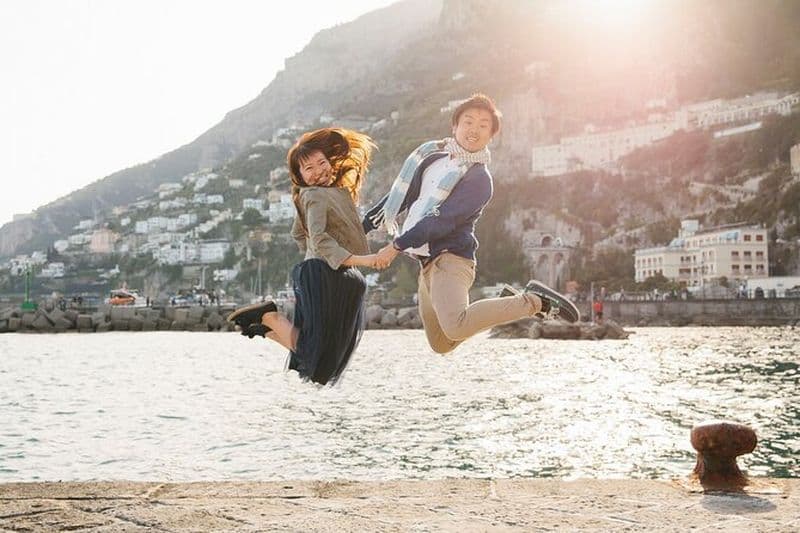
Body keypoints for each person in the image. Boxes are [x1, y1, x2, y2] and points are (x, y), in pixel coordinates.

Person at [362, 93, 579, 354]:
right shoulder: (432, 159)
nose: (474, 129)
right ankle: (505, 304)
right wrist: (362, 226)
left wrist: (395, 246)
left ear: (491, 136)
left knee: (455, 327)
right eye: (468, 121)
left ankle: (535, 302)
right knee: (442, 344)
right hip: (425, 264)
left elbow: (440, 220)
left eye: (483, 125)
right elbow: (401, 196)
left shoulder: (479, 180)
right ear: (455, 126)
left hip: (452, 260)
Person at [227, 128, 381, 385]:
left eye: (322, 162)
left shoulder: (331, 193)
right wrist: (361, 260)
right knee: (317, 358)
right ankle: (270, 316)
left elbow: (300, 233)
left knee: (319, 369)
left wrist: (314, 253)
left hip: (332, 274)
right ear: (299, 177)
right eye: (308, 169)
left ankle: (266, 329)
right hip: (324, 275)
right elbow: (319, 240)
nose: (318, 171)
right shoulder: (314, 195)